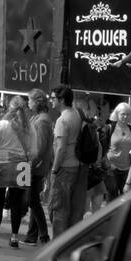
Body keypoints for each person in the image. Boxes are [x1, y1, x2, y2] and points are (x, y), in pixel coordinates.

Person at [0, 96, 32, 249]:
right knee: (17, 203)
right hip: (22, 165)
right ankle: (15, 238)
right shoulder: (28, 126)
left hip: (1, 163)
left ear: (10, 108)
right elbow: (33, 150)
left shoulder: (2, 124)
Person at [48, 85, 89, 238]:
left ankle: (57, 246)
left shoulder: (62, 120)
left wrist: (54, 170)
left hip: (64, 168)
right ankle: (71, 243)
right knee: (75, 209)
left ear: (62, 100)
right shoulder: (77, 114)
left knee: (59, 209)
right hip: (78, 166)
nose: (51, 101)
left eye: (53, 98)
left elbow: (60, 149)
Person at [22, 89, 54, 244]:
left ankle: (43, 235)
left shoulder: (42, 121)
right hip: (36, 165)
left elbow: (40, 148)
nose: (28, 103)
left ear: (36, 102)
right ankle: (32, 235)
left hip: (36, 166)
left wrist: (29, 165)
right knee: (33, 199)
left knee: (32, 200)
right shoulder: (38, 118)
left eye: (30, 100)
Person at [102, 103, 131, 200]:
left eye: (127, 114)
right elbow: (102, 149)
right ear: (117, 114)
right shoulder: (109, 128)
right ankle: (111, 216)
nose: (125, 116)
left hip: (127, 169)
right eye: (122, 114)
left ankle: (123, 216)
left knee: (126, 199)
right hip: (112, 168)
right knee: (112, 197)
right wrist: (108, 164)